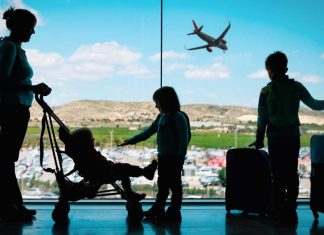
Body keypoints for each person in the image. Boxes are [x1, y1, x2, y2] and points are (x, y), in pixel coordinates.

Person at [250, 51, 324, 224]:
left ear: (269, 70)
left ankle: (277, 210)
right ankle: (291, 210)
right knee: (291, 174)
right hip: (292, 136)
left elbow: (262, 118)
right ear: (286, 68)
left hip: (275, 137)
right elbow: (314, 104)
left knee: (277, 175)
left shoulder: (266, 90)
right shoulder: (296, 86)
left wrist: (259, 138)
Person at [0, 7, 52, 222]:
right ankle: (11, 207)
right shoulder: (10, 47)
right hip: (13, 109)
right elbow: (2, 78)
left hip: (15, 108)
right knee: (6, 159)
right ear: (21, 28)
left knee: (6, 159)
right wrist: (33, 88)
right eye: (31, 28)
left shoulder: (13, 47)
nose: (33, 33)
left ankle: (13, 205)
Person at [118, 86, 189, 223]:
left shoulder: (177, 117)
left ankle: (173, 211)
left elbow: (183, 141)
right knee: (163, 185)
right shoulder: (162, 117)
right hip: (163, 156)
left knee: (174, 185)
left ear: (165, 101)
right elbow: (149, 131)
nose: (156, 105)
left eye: (157, 102)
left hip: (173, 158)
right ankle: (160, 209)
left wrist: (179, 158)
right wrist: (132, 141)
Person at [61, 127, 157, 202]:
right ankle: (143, 174)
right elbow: (99, 166)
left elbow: (71, 149)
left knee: (123, 171)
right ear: (86, 142)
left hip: (101, 173)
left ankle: (132, 190)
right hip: (102, 174)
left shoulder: (82, 152)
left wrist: (66, 139)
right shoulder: (86, 153)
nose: (93, 141)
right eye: (91, 140)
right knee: (124, 169)